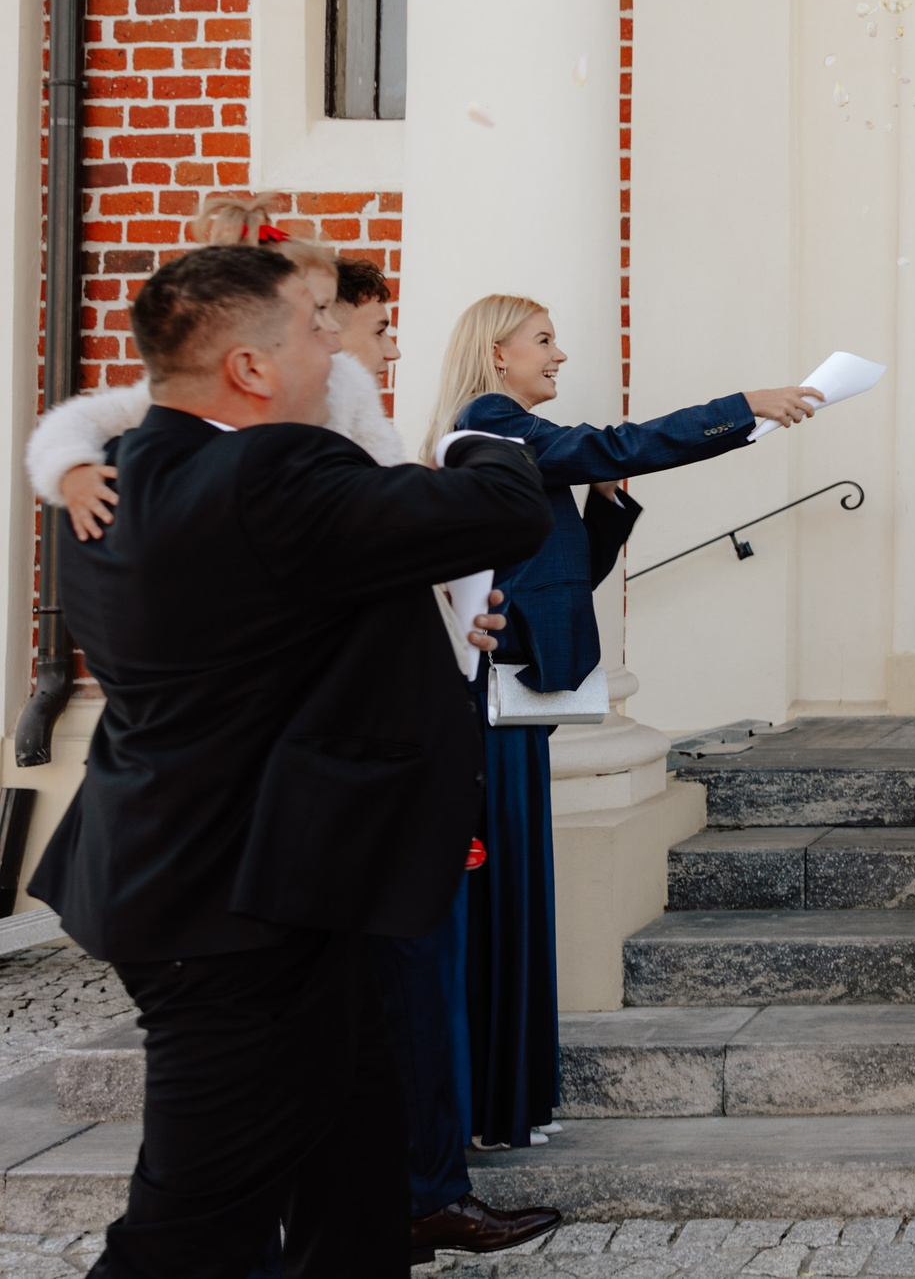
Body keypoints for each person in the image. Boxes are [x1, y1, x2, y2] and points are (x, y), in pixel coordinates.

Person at [27, 245, 552, 1277]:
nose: (338, 347)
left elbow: (285, 629)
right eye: (316, 326)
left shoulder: (110, 484)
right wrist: (484, 439)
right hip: (240, 909)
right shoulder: (271, 470)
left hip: (244, 883)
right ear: (249, 369)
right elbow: (503, 510)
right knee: (192, 1223)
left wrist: (431, 605)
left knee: (351, 1165)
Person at [424, 296, 822, 1150]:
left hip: (524, 701)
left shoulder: (516, 441)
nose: (559, 355)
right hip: (495, 705)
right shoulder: (491, 426)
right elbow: (611, 441)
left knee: (520, 894)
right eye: (543, 341)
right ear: (497, 357)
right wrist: (742, 408)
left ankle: (508, 1101)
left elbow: (567, 573)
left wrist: (605, 502)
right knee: (506, 896)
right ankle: (489, 1101)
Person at [30, 202, 403, 536]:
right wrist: (72, 470)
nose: (332, 328)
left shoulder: (347, 382)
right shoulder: (185, 398)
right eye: (317, 309)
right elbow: (76, 421)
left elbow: (384, 466)